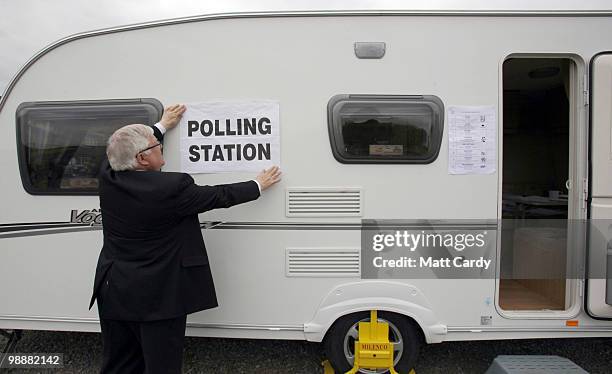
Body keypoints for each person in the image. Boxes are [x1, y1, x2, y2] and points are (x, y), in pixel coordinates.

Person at [88, 104, 281, 373]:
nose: (161, 150)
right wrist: (257, 185)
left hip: (115, 289)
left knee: (119, 363)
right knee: (161, 366)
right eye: (158, 147)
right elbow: (218, 196)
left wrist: (163, 125)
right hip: (157, 298)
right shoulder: (171, 188)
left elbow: (124, 148)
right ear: (143, 159)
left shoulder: (108, 175)